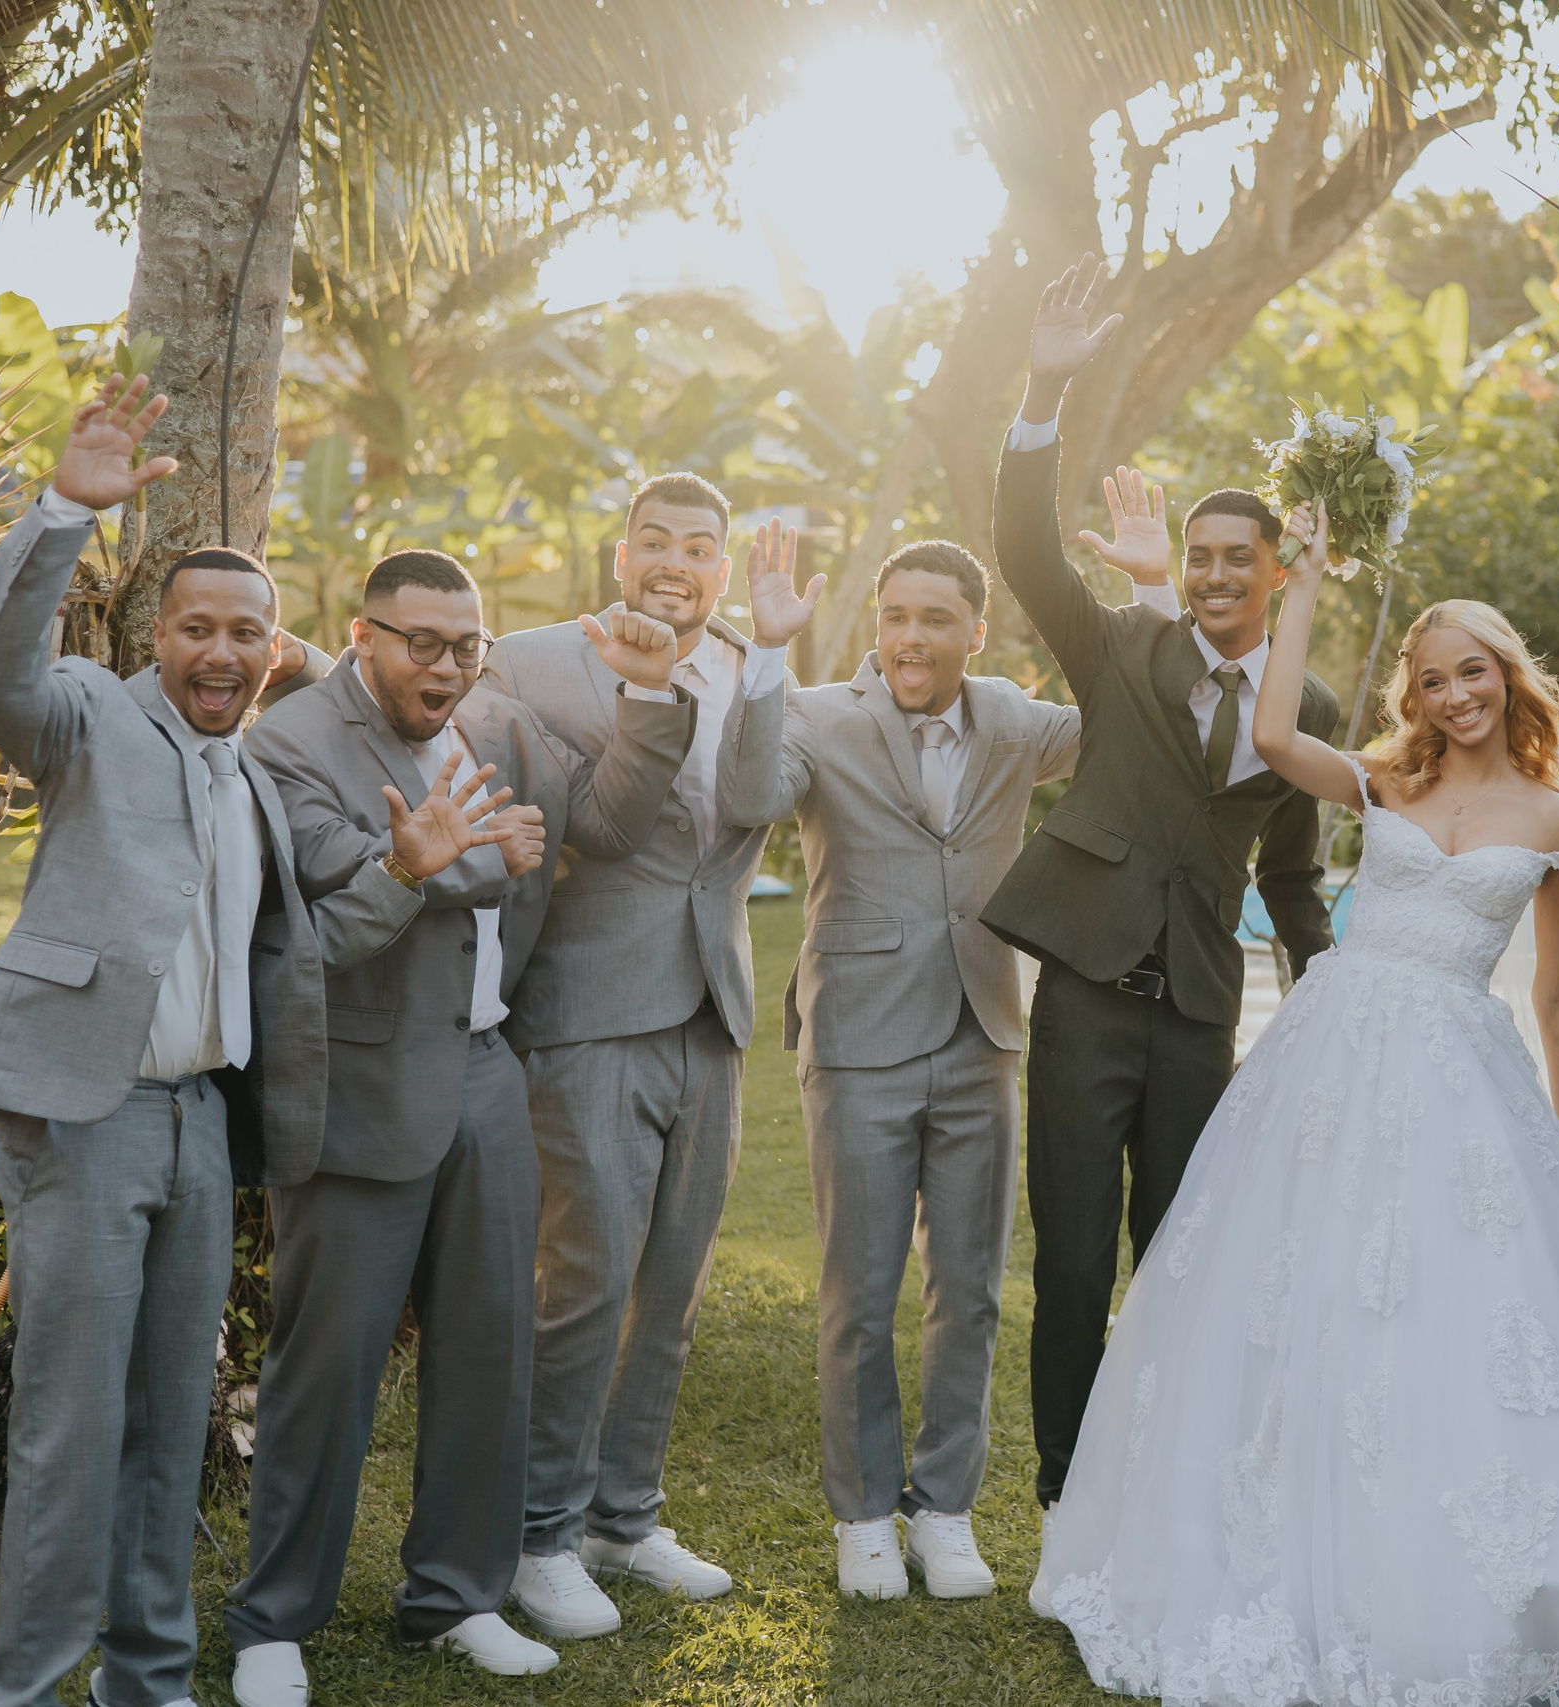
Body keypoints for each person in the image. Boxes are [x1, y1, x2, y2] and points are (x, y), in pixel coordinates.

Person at [1030, 499, 1559, 1701]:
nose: (1453, 696)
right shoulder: (1378, 781)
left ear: (1506, 679)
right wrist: (1309, 583)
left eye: (1471, 672)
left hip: (1458, 1076)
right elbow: (1274, 735)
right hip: (1327, 1057)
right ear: (1414, 697)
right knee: (1291, 1287)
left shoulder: (1558, 820)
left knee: (1456, 1310)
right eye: (1431, 680)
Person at [227, 551, 694, 1702]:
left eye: (465, 646)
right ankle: (274, 1620)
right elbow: (331, 916)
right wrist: (432, 861)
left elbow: (614, 821)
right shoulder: (287, 743)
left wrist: (644, 692)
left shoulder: (504, 723)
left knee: (492, 1349)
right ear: (362, 634)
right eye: (420, 644)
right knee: (325, 1362)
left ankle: (456, 1595)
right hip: (360, 1080)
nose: (444, 668)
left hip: (488, 1069)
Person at [0, 380, 336, 1707]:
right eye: (196, 628)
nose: (220, 651)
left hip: (202, 1125)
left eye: (247, 632)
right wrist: (64, 511)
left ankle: (149, 1680)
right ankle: (32, 1683)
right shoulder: (91, 717)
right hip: (83, 1113)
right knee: (72, 1424)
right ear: (153, 634)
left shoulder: (262, 773)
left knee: (173, 1423)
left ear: (273, 650)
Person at [719, 513, 1161, 1600]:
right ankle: (865, 1513)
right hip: (859, 1037)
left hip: (981, 1033)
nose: (910, 638)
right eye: (895, 617)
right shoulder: (817, 716)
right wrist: (767, 652)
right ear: (877, 625)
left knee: (968, 1291)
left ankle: (944, 1508)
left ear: (977, 628)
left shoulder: (1012, 719)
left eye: (934, 619)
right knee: (859, 1293)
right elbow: (743, 797)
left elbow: (1133, 719)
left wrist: (1147, 597)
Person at [983, 254, 1339, 1528]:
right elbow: (1022, 548)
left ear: (1274, 572)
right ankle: (1065, 1487)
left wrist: (1338, 987)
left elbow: (1295, 885)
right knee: (1073, 1263)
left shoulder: (1313, 712)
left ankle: (1168, 1477)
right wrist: (1045, 390)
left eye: (1238, 557)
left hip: (1199, 1007)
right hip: (1086, 991)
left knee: (1181, 1258)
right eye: (1197, 554)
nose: (1213, 573)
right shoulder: (1120, 648)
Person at [477, 473, 765, 1636]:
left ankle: (624, 1516)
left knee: (674, 1287)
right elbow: (560, 823)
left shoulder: (753, 667)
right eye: (654, 541)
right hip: (589, 1007)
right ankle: (538, 1534)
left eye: (698, 548)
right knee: (585, 1280)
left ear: (722, 571)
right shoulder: (534, 661)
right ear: (619, 555)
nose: (674, 562)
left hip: (715, 1008)